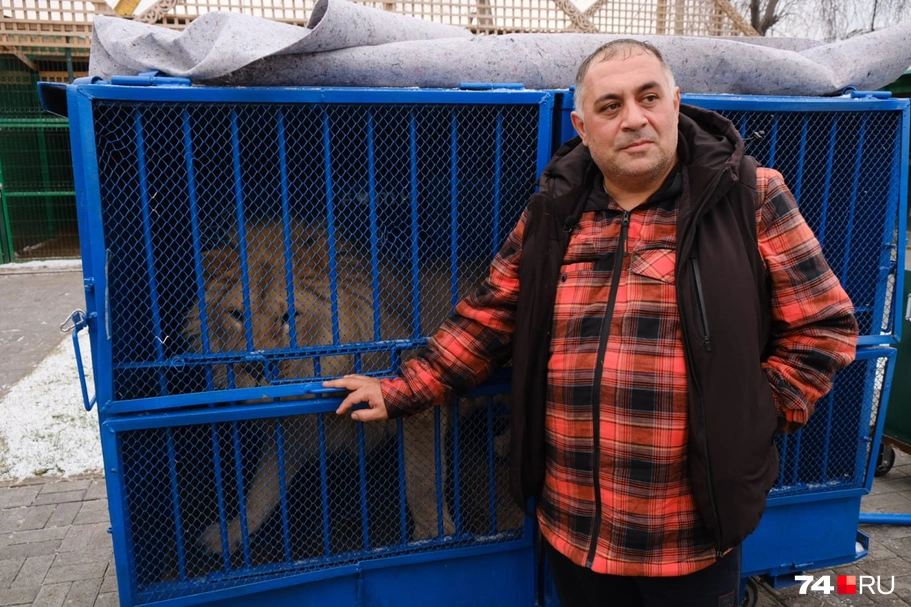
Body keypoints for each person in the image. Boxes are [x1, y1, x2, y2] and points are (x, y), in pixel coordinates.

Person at [325, 39, 858, 607]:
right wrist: (403, 389)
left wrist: (754, 415)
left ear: (675, 103)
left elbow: (824, 326)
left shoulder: (749, 196)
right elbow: (489, 317)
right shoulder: (552, 213)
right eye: (610, 106)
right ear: (582, 126)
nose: (634, 119)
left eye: (648, 97)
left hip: (691, 529)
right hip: (575, 527)